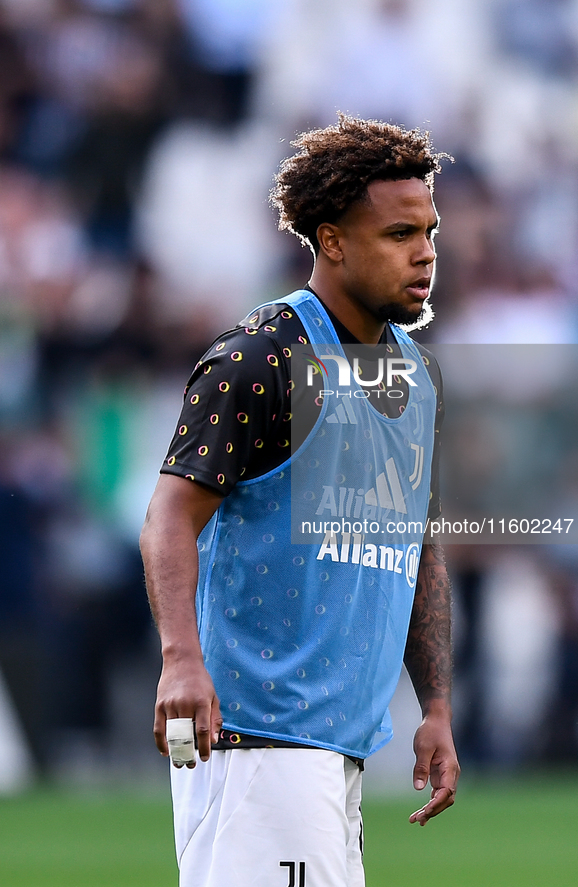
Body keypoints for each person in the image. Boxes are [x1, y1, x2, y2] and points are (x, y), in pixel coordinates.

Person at [140, 113, 460, 887]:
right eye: (397, 235)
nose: (423, 254)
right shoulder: (260, 357)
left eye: (429, 232)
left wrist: (436, 706)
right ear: (333, 240)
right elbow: (169, 516)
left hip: (335, 750)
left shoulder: (414, 376)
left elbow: (414, 544)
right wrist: (181, 657)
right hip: (257, 747)